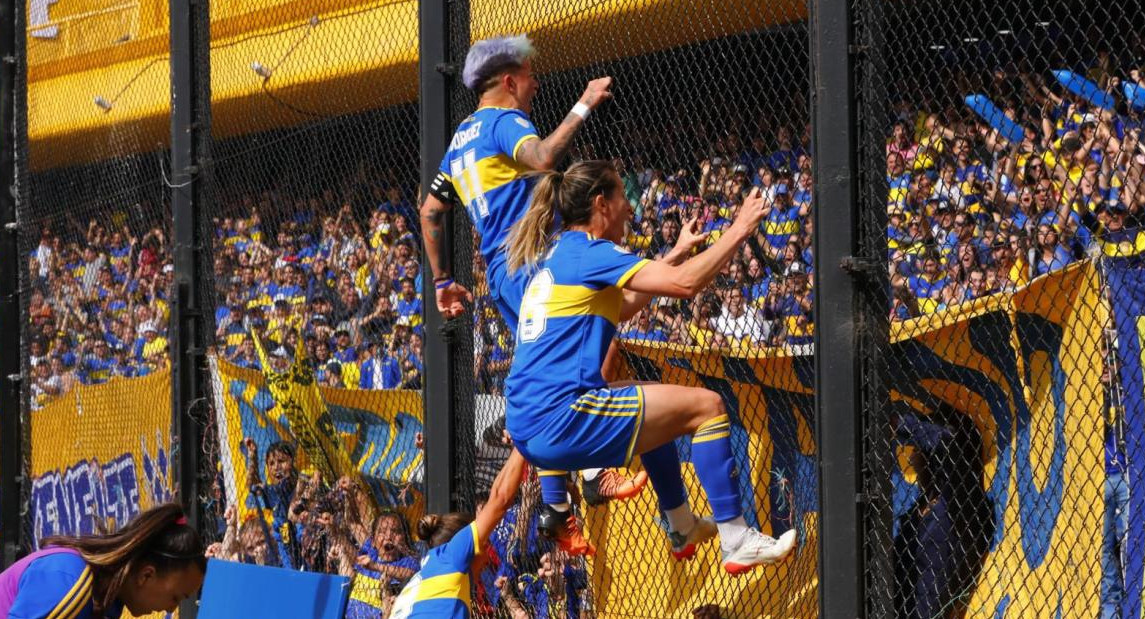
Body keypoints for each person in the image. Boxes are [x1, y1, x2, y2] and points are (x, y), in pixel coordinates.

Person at [503, 160, 797, 573]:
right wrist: (740, 229)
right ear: (601, 203)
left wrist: (675, 252)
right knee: (707, 406)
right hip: (562, 418)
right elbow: (685, 286)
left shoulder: (557, 255)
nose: (631, 209)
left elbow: (619, 309)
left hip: (529, 427)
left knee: (656, 405)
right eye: (623, 197)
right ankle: (736, 538)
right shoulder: (592, 252)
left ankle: (680, 525)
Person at [417, 33, 645, 554]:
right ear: (509, 81)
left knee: (550, 366)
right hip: (532, 258)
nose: (535, 86)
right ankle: (591, 472)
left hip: (501, 271)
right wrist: (584, 104)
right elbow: (542, 157)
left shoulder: (458, 141)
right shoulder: (504, 121)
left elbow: (431, 212)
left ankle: (558, 508)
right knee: (593, 341)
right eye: (530, 78)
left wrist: (442, 281)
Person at [389, 448, 529, 618]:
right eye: (484, 542)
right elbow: (500, 499)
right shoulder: (452, 556)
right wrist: (523, 440)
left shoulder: (419, 582)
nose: (487, 555)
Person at [0, 503, 206, 618]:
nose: (171, 609)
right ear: (147, 575)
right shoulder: (70, 584)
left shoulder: (107, 602)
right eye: (175, 597)